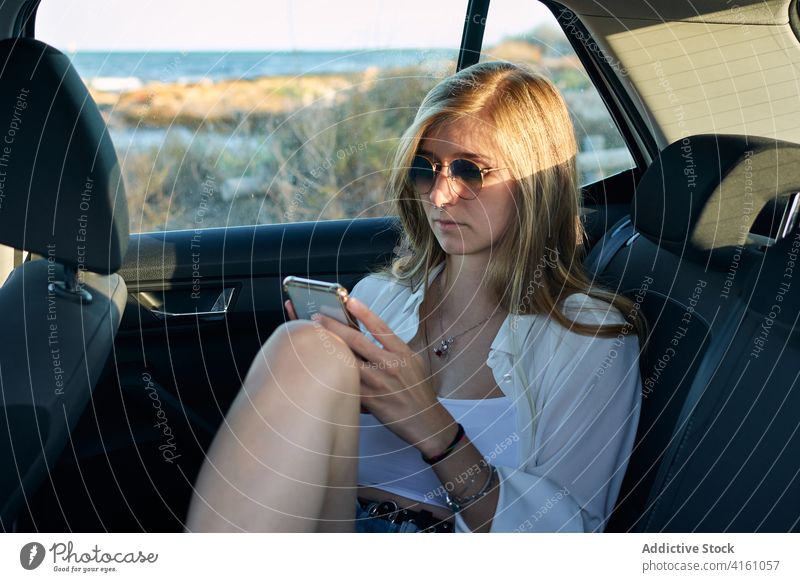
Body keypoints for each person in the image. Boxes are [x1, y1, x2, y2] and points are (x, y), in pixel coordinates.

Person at [185, 61, 644, 533]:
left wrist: (433, 428)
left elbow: (568, 539)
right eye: (425, 169)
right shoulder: (379, 298)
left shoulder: (590, 337)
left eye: (470, 171)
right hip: (336, 526)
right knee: (303, 344)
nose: (440, 195)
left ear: (535, 183)